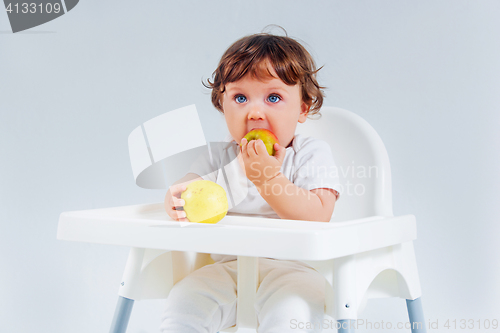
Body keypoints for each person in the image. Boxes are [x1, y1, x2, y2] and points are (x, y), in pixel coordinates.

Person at [161, 30, 341, 333]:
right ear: (222, 104)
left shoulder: (310, 154)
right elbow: (180, 199)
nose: (254, 112)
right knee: (182, 303)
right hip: (225, 270)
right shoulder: (215, 157)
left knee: (292, 314)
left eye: (273, 97)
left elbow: (318, 215)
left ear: (303, 107)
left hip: (294, 270)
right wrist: (231, 176)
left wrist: (268, 178)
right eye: (240, 97)